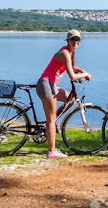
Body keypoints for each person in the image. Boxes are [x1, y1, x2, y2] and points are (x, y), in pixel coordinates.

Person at [37, 29, 91, 159]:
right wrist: (86, 74)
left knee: (71, 99)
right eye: (73, 39)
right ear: (68, 41)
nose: (76, 42)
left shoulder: (70, 53)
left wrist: (81, 70)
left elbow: (71, 68)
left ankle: (52, 122)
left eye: (78, 39)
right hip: (46, 85)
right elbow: (72, 76)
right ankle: (51, 152)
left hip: (51, 85)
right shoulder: (65, 53)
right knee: (51, 120)